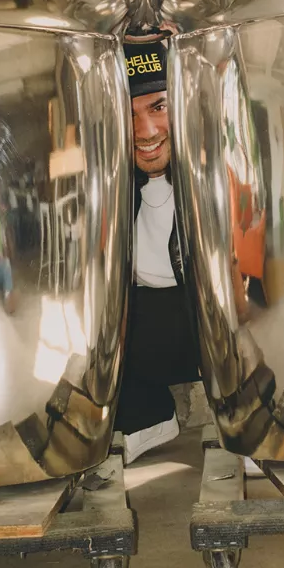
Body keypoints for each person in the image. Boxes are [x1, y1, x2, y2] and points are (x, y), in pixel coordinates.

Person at [114, 37, 201, 464]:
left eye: (159, 107)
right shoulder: (104, 183)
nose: (145, 132)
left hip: (211, 325)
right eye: (129, 113)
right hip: (141, 334)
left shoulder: (217, 170)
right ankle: (146, 416)